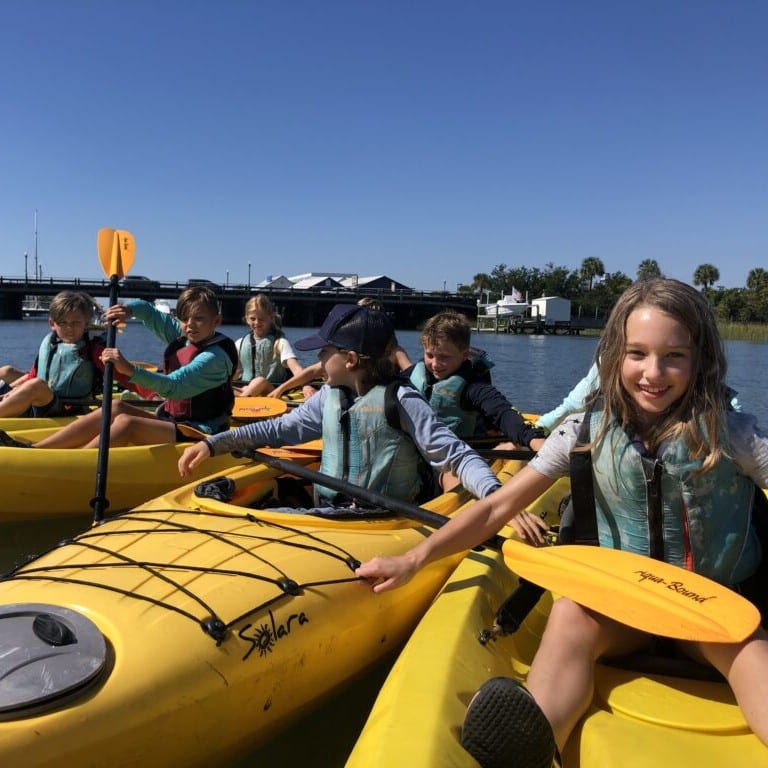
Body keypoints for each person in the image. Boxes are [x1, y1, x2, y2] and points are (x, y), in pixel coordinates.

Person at [356, 278, 768, 766]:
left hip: (715, 612)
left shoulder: (734, 434)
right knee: (571, 614)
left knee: (751, 653)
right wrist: (414, 558)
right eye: (637, 353)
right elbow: (494, 507)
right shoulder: (584, 430)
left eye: (673, 356)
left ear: (701, 359)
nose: (652, 373)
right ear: (614, 355)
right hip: (624, 607)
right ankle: (536, 740)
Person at [178, 303, 501, 512]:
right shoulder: (328, 397)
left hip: (384, 520)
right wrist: (214, 443)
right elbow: (277, 430)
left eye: (324, 352)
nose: (317, 360)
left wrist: (498, 500)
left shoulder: (402, 402)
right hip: (329, 513)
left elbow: (458, 456)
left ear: (349, 359)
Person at [0, 286, 237, 449]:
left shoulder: (214, 358)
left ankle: (77, 460)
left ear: (216, 322)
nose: (190, 325)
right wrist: (128, 309)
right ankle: (39, 449)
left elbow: (174, 387)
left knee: (127, 422)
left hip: (201, 431)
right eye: (184, 318)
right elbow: (150, 313)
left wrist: (130, 370)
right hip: (173, 420)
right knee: (115, 406)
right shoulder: (185, 334)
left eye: (199, 319)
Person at [408, 312, 546, 488]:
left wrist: (537, 443)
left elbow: (502, 412)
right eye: (430, 355)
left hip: (457, 459)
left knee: (450, 475)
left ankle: (499, 456)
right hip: (416, 457)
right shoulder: (414, 376)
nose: (435, 364)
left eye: (444, 357)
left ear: (464, 354)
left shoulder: (473, 387)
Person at [0, 290, 130, 419]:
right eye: (63, 322)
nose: (69, 328)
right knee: (6, 371)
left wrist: (149, 392)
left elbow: (128, 376)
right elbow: (34, 374)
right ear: (52, 324)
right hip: (41, 402)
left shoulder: (95, 351)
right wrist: (13, 392)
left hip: (69, 408)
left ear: (86, 322)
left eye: (76, 323)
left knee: (37, 385)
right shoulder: (50, 344)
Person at [267, 297, 413, 402]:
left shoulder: (394, 350)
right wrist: (281, 389)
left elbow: (412, 375)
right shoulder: (341, 352)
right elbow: (312, 371)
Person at [232, 295, 304, 398]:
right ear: (247, 319)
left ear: (271, 318)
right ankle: (244, 397)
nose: (257, 322)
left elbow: (296, 369)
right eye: (252, 319)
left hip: (272, 391)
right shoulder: (240, 343)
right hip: (247, 389)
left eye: (261, 319)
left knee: (259, 381)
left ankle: (240, 403)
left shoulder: (280, 342)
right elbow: (236, 371)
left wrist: (306, 386)